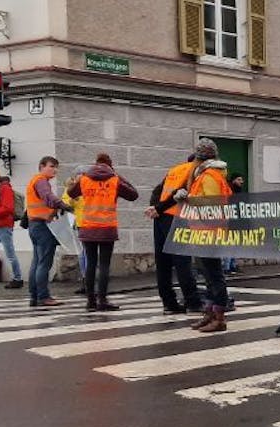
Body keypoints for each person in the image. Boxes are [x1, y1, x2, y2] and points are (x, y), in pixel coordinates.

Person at [68, 153, 139, 312]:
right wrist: (118, 175)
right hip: (107, 228)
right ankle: (102, 300)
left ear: (95, 163)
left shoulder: (85, 179)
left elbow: (71, 193)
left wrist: (81, 180)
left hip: (88, 228)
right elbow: (134, 195)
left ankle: (90, 300)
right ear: (110, 165)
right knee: (104, 264)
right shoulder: (114, 180)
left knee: (91, 263)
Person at [177, 139, 233, 333]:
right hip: (203, 232)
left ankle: (219, 317)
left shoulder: (209, 175)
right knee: (208, 275)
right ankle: (209, 313)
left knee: (214, 275)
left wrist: (188, 199)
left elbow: (211, 204)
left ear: (199, 156)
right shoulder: (205, 174)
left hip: (210, 232)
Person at [146, 154, 203, 315]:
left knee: (163, 262)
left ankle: (169, 303)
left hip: (161, 219)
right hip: (177, 217)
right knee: (182, 262)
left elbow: (157, 191)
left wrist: (156, 208)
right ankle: (193, 302)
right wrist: (160, 208)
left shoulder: (174, 170)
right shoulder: (194, 171)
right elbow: (180, 192)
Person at [25, 156, 68, 308]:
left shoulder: (34, 181)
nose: (55, 170)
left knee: (37, 262)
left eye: (56, 167)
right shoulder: (41, 181)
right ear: (42, 166)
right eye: (51, 166)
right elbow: (48, 197)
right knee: (44, 263)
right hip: (43, 226)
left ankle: (34, 296)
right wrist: (63, 205)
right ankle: (43, 296)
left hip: (34, 225)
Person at [223, 174, 247, 274]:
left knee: (234, 243)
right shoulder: (229, 191)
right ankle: (227, 267)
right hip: (229, 220)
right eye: (239, 179)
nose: (241, 182)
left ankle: (232, 265)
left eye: (242, 179)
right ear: (233, 180)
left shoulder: (238, 192)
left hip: (236, 220)